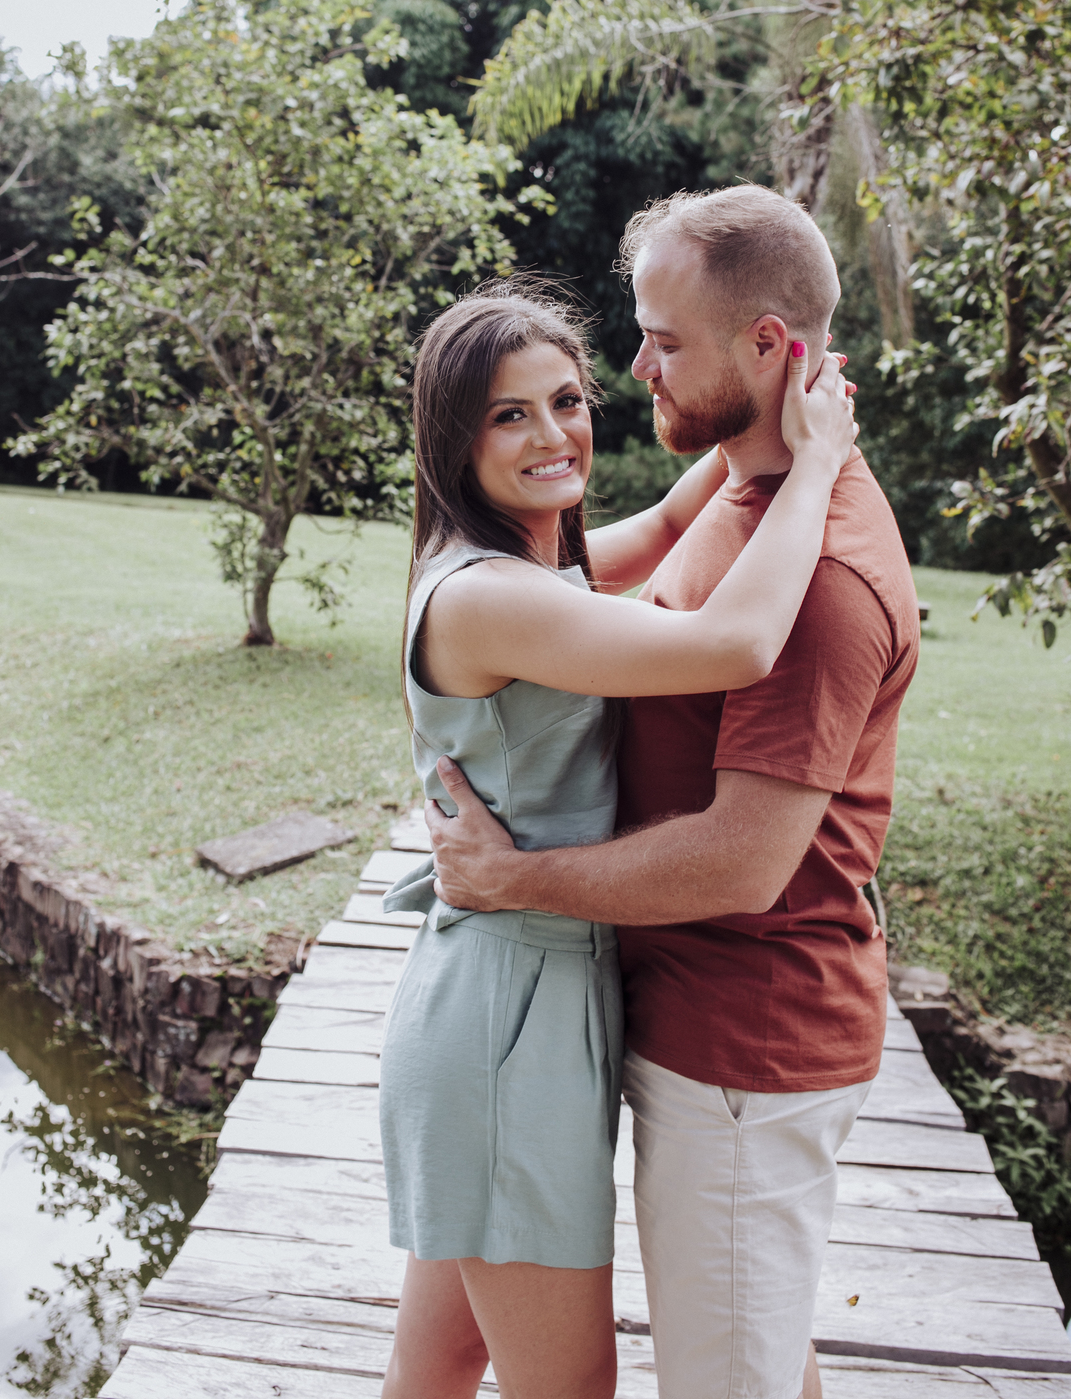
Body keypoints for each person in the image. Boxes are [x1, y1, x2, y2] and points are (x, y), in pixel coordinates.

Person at [426, 187, 921, 1399]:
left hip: (743, 1047)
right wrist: (800, 440)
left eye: (663, 341)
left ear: (769, 346)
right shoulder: (739, 498)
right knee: (729, 1356)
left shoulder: (816, 578)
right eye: (513, 412)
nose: (635, 368)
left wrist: (515, 878)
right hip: (619, 1016)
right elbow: (666, 539)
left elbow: (744, 861)